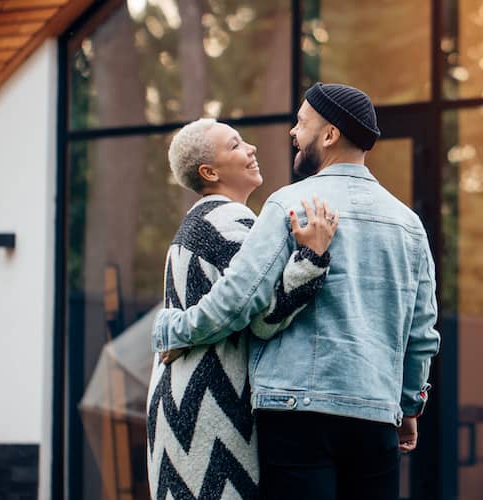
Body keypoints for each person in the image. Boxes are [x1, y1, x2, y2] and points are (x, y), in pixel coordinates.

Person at [152, 83, 441, 499]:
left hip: (295, 416)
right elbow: (422, 333)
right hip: (374, 412)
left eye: (302, 123)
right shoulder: (408, 223)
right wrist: (409, 404)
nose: (292, 132)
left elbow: (239, 298)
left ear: (329, 135)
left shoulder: (290, 203)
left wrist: (175, 328)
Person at [146, 118, 338, 500]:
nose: (250, 148)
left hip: (185, 403)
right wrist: (312, 256)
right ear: (209, 171)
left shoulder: (199, 220)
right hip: (212, 406)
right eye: (235, 145)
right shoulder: (228, 220)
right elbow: (265, 318)